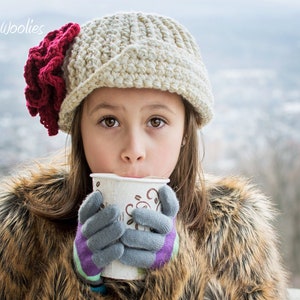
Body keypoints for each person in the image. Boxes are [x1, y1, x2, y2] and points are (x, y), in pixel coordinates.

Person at [0, 11, 288, 299]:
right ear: (80, 133)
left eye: (156, 121)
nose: (133, 151)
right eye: (109, 121)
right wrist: (78, 281)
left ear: (185, 132)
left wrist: (176, 272)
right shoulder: (24, 227)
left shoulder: (235, 234)